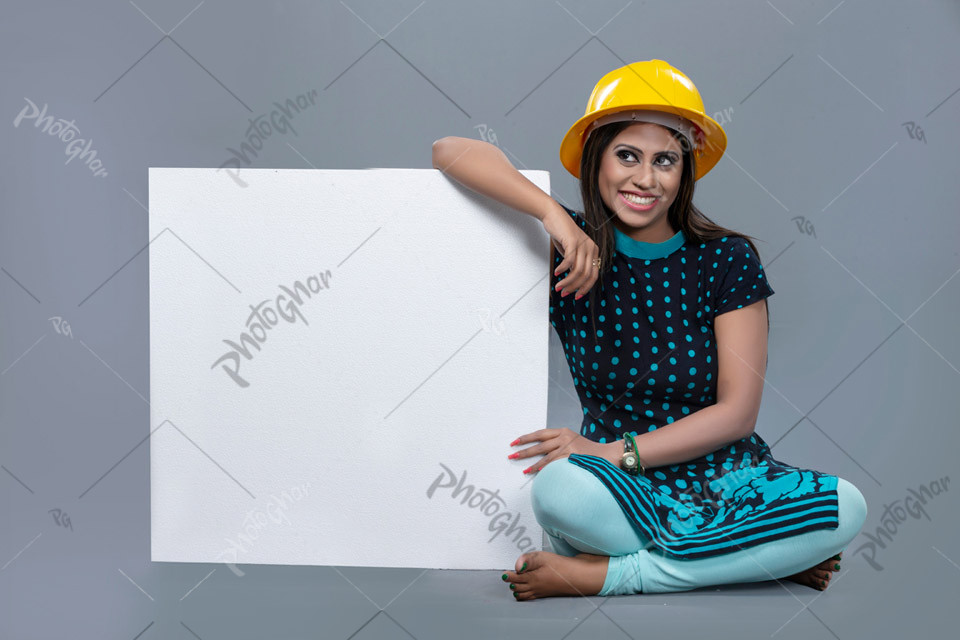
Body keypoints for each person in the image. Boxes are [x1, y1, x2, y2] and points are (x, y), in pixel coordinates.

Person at [432, 59, 867, 601]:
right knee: (557, 492)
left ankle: (615, 574)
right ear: (596, 159)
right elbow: (449, 151)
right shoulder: (572, 254)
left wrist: (609, 452)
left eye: (665, 160)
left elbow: (737, 413)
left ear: (684, 171)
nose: (645, 178)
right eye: (627, 156)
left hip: (725, 478)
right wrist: (554, 217)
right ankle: (753, 558)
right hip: (619, 489)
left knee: (847, 505)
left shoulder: (727, 260)